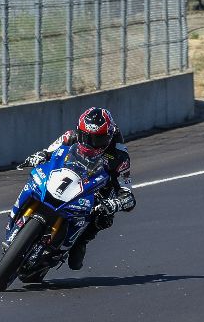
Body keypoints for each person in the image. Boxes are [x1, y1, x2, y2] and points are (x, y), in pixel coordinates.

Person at [13, 107, 136, 270]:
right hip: (67, 176)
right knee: (36, 178)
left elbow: (128, 194)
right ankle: (15, 219)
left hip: (98, 188)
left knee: (103, 217)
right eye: (86, 137)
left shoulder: (120, 156)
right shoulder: (70, 136)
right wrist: (39, 156)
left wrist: (115, 203)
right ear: (79, 131)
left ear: (108, 136)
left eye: (97, 139)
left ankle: (81, 241)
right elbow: (47, 152)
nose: (90, 143)